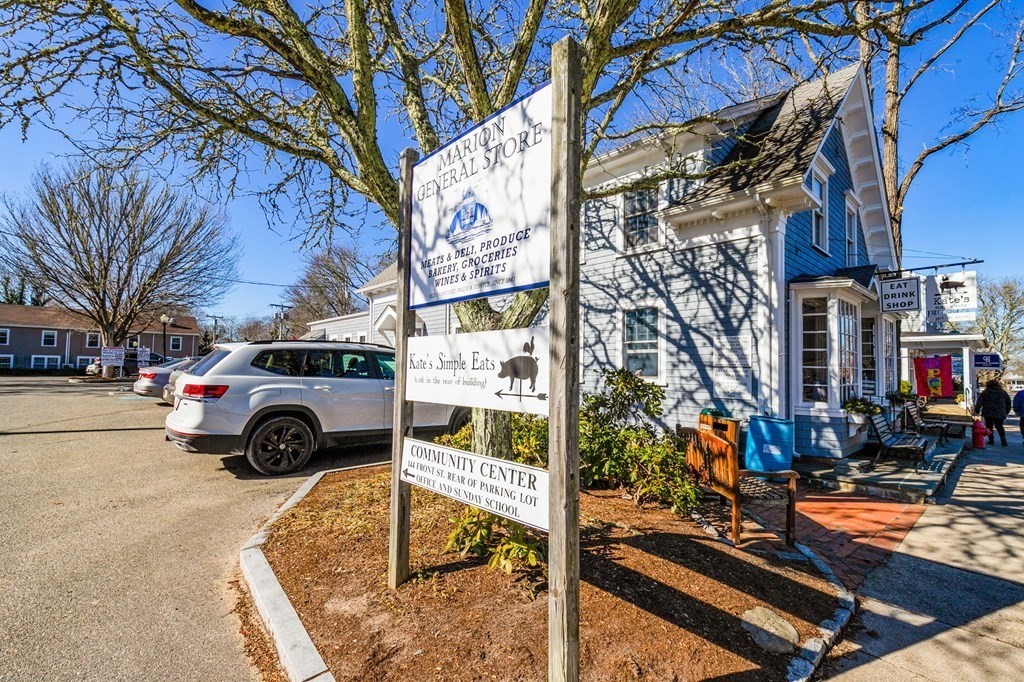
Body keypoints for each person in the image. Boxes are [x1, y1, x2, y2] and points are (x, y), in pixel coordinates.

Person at [975, 379, 1012, 447]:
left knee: (989, 426)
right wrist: (1006, 411)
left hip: (988, 412)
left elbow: (979, 403)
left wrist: (977, 410)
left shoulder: (984, 393)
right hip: (1000, 412)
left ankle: (991, 440)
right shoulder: (1003, 392)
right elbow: (1008, 403)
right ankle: (1003, 440)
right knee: (999, 426)